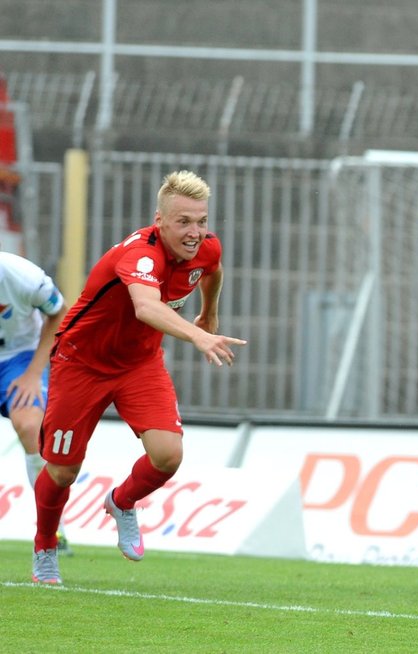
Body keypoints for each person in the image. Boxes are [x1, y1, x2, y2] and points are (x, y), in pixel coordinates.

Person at [31, 170, 246, 584]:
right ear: (160, 220)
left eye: (201, 221)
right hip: (81, 363)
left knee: (168, 455)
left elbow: (213, 269)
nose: (195, 232)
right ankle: (44, 546)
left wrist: (211, 311)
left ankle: (121, 502)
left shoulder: (206, 247)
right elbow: (146, 307)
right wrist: (200, 334)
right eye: (184, 222)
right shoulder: (140, 256)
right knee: (62, 471)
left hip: (139, 364)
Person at [0, 252, 70, 552]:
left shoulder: (23, 275)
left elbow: (60, 311)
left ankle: (53, 529)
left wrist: (34, 373)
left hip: (20, 358)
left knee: (30, 426)